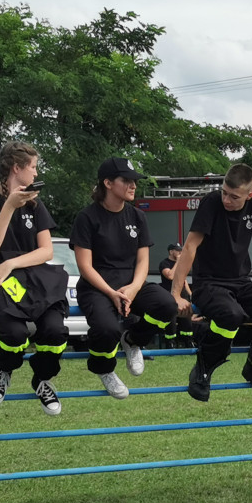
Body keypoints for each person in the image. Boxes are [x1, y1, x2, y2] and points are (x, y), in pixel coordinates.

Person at [171, 163, 252, 401]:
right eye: (224, 192)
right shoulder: (211, 203)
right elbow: (190, 246)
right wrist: (176, 294)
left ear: (250, 195)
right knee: (231, 316)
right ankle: (204, 367)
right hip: (208, 283)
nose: (226, 199)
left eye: (234, 196)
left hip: (241, 282)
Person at [0, 141, 67, 416]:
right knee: (14, 333)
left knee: (56, 332)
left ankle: (42, 379)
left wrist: (10, 263)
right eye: (33, 167)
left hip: (34, 279)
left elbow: (46, 251)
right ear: (16, 168)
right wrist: (9, 206)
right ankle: (4, 370)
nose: (36, 174)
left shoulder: (36, 205)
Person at [70, 157, 178, 400]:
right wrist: (112, 293)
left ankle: (133, 340)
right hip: (97, 288)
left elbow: (143, 261)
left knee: (167, 305)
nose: (133, 185)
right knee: (107, 329)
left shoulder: (138, 216)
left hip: (132, 285)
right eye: (126, 180)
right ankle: (104, 370)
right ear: (107, 183)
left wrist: (133, 288)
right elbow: (85, 266)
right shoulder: (87, 217)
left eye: (134, 181)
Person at [158, 242, 194, 347]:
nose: (180, 252)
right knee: (171, 318)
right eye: (177, 250)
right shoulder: (164, 263)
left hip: (183, 294)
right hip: (170, 294)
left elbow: (184, 280)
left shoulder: (182, 263)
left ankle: (188, 340)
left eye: (181, 250)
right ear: (171, 251)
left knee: (186, 317)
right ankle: (171, 341)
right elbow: (170, 276)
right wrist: (178, 262)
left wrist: (190, 294)